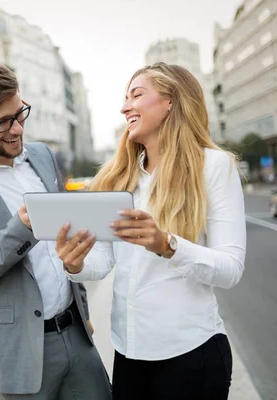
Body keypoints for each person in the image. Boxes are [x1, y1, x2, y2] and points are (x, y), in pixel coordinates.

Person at [53, 62, 246, 400]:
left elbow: (231, 269)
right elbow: (104, 260)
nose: (125, 106)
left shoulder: (213, 167)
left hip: (192, 353)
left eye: (136, 95)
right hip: (129, 355)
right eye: (125, 98)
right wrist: (76, 264)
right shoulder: (117, 178)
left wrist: (168, 245)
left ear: (170, 101)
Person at [0, 61, 111, 400]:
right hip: (21, 352)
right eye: (2, 123)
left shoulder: (41, 155)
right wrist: (21, 228)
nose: (17, 129)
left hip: (76, 334)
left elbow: (65, 241)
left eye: (20, 114)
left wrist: (82, 310)